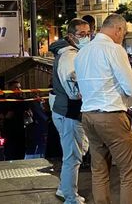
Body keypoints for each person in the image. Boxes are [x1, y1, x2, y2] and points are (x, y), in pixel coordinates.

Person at [74, 14, 132, 204]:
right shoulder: (114, 49)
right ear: (118, 29)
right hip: (111, 116)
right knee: (129, 170)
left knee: (99, 170)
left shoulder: (82, 52)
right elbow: (131, 88)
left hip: (88, 116)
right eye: (124, 33)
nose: (123, 37)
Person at [49, 18, 90, 204]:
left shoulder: (69, 53)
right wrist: (83, 93)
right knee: (73, 155)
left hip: (66, 111)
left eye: (88, 33)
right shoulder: (69, 56)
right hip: (69, 111)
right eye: (82, 34)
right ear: (71, 36)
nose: (86, 37)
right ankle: (71, 197)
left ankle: (64, 188)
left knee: (77, 149)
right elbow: (73, 89)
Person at [0, 81, 31, 160]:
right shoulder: (4, 102)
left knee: (21, 154)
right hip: (9, 132)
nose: (19, 89)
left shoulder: (23, 101)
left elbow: (30, 114)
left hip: (21, 132)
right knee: (10, 154)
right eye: (16, 87)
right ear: (10, 89)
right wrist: (5, 116)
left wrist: (28, 114)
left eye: (20, 87)